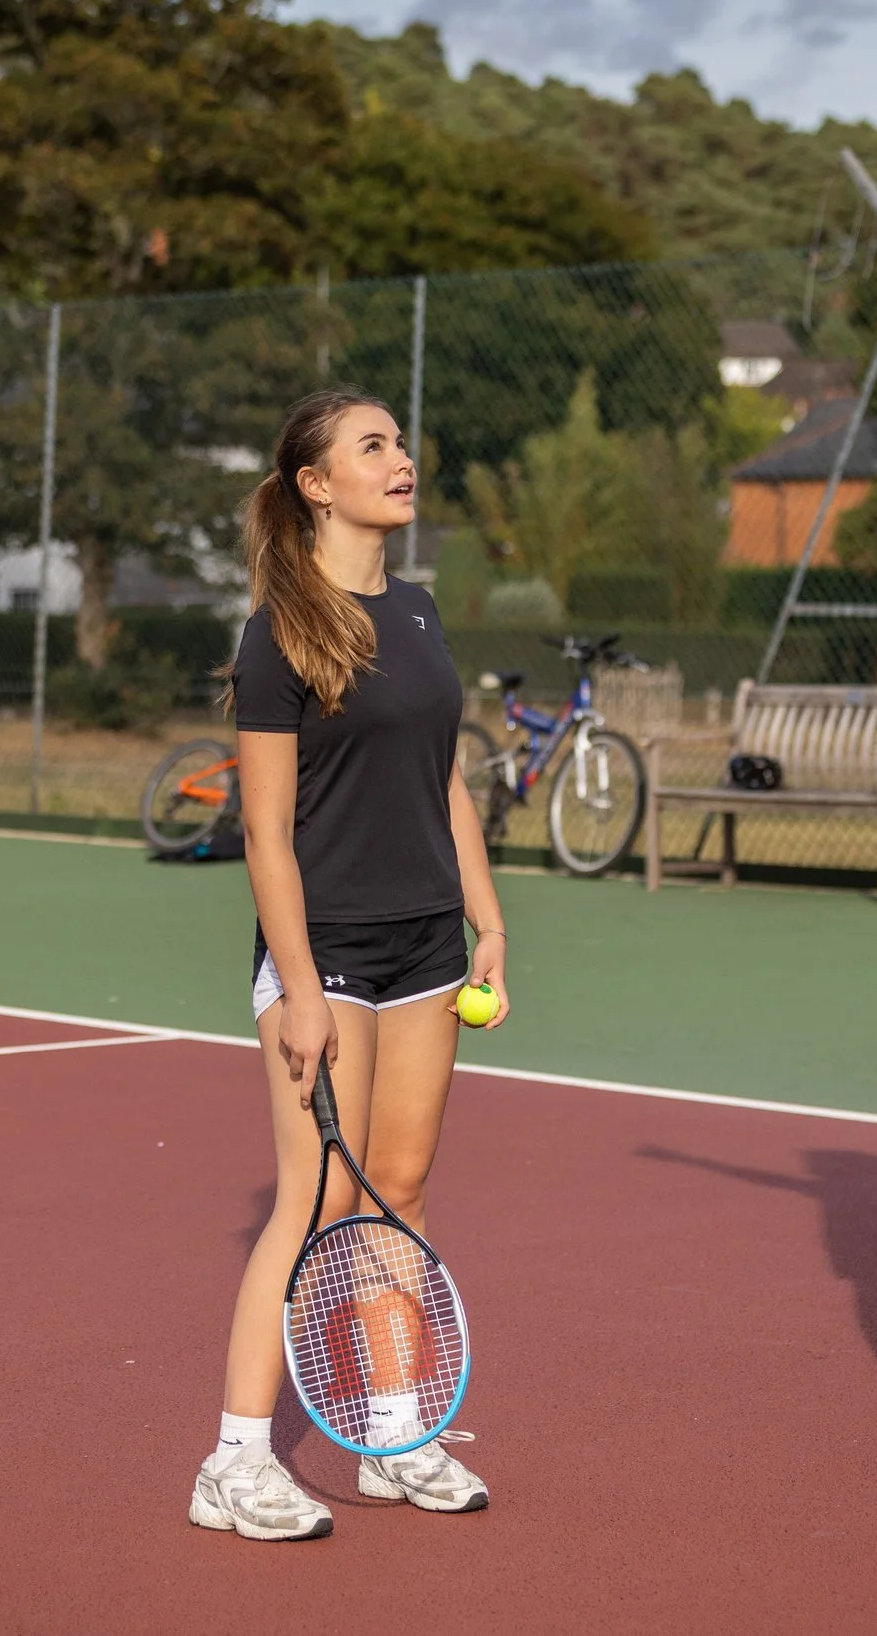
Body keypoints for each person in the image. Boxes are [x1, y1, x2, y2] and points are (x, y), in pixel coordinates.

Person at [187, 387, 510, 1542]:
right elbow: (265, 833)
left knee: (402, 1187)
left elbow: (444, 780)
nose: (401, 457)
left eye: (401, 441)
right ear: (317, 483)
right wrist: (303, 987)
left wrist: (488, 918)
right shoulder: (276, 632)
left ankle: (390, 1434)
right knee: (319, 1194)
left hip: (428, 942)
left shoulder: (418, 614)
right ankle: (231, 1460)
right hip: (324, 956)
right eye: (372, 445)